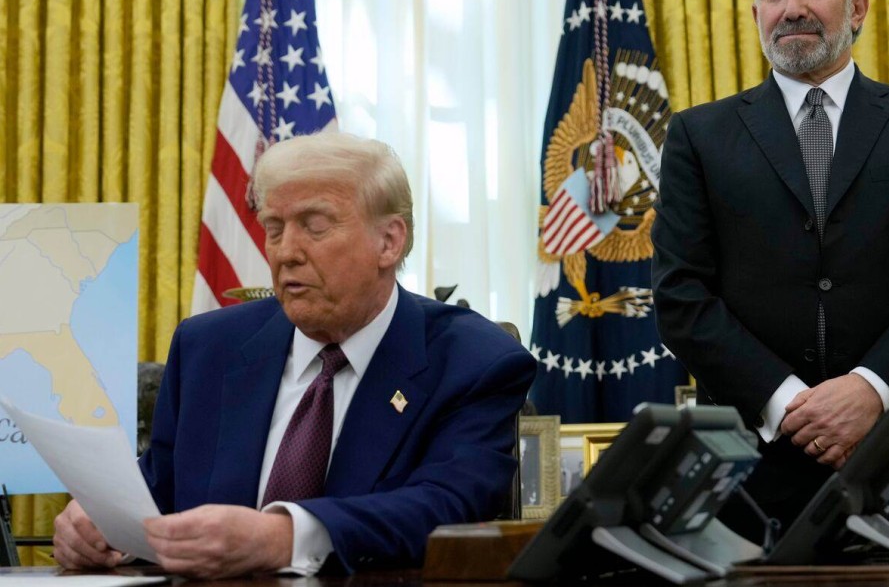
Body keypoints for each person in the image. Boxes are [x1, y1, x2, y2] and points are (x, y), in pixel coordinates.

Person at [53, 132, 536, 578]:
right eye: (274, 228)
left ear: (389, 241)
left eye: (315, 226)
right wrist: (100, 525)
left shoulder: (473, 361)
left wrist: (285, 537)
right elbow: (159, 491)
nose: (286, 252)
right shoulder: (209, 348)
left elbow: (447, 507)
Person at [651, 0, 889, 541]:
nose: (792, 8)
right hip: (747, 475)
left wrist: (869, 390)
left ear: (856, 7)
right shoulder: (697, 137)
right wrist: (790, 406)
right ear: (757, 14)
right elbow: (681, 296)